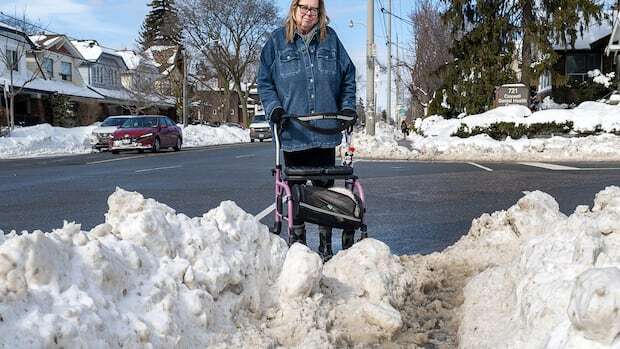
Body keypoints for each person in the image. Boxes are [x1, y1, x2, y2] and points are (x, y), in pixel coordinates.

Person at [258, 0, 357, 261]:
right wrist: (274, 108)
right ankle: (299, 247)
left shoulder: (331, 41)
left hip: (325, 133)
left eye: (314, 9)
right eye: (304, 7)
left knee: (325, 193)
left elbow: (348, 75)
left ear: (320, 12)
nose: (308, 13)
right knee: (297, 195)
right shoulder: (277, 42)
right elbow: (264, 82)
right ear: (294, 8)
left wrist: (347, 108)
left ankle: (326, 246)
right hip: (293, 133)